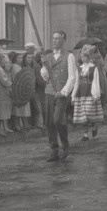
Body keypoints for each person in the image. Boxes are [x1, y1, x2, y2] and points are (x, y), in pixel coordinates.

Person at [40, 30, 77, 162]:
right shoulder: (48, 56)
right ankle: (54, 149)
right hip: (50, 91)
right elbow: (45, 77)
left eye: (57, 38)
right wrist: (44, 66)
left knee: (57, 119)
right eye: (53, 38)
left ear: (63, 40)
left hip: (61, 93)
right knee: (49, 121)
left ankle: (65, 145)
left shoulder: (69, 56)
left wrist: (64, 91)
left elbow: (72, 77)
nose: (54, 41)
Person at [71, 44, 103, 142]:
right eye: (82, 57)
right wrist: (73, 96)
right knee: (83, 115)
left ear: (88, 57)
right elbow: (76, 82)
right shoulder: (79, 69)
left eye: (85, 57)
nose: (83, 58)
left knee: (89, 113)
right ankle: (85, 134)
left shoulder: (93, 68)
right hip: (81, 93)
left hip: (90, 92)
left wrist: (96, 94)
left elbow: (95, 81)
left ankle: (94, 126)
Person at [23, 43, 46, 130]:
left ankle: (38, 124)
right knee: (38, 107)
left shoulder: (35, 64)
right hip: (34, 90)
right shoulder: (36, 66)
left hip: (35, 89)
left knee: (35, 108)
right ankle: (39, 124)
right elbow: (39, 79)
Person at [5, 52, 30, 132]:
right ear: (15, 59)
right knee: (18, 109)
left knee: (21, 109)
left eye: (21, 58)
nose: (21, 59)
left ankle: (22, 125)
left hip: (21, 89)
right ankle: (18, 126)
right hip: (18, 89)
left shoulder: (18, 66)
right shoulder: (15, 67)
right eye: (19, 58)